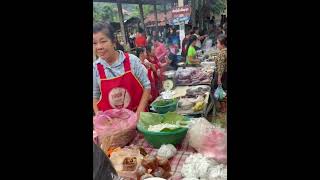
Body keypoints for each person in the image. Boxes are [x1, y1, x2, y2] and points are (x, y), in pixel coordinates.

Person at [93, 22, 151, 117]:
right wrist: (100, 117)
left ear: (113, 41)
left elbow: (146, 86)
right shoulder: (95, 68)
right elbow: (94, 96)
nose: (99, 47)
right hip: (113, 124)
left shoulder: (131, 60)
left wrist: (139, 114)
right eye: (94, 43)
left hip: (138, 117)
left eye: (103, 41)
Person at [214, 34, 227, 113]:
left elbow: (221, 67)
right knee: (224, 90)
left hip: (222, 75)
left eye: (217, 43)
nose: (217, 44)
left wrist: (219, 79)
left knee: (221, 90)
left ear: (222, 44)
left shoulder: (222, 53)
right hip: (225, 74)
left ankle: (223, 108)